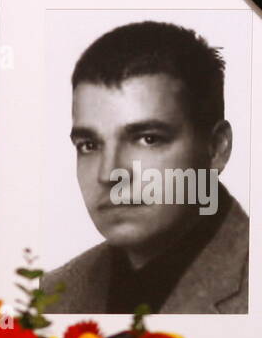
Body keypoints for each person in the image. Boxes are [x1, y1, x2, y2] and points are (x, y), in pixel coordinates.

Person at [43, 21, 249, 314]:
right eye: (89, 145)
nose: (108, 174)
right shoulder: (50, 296)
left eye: (148, 139)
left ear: (216, 148)